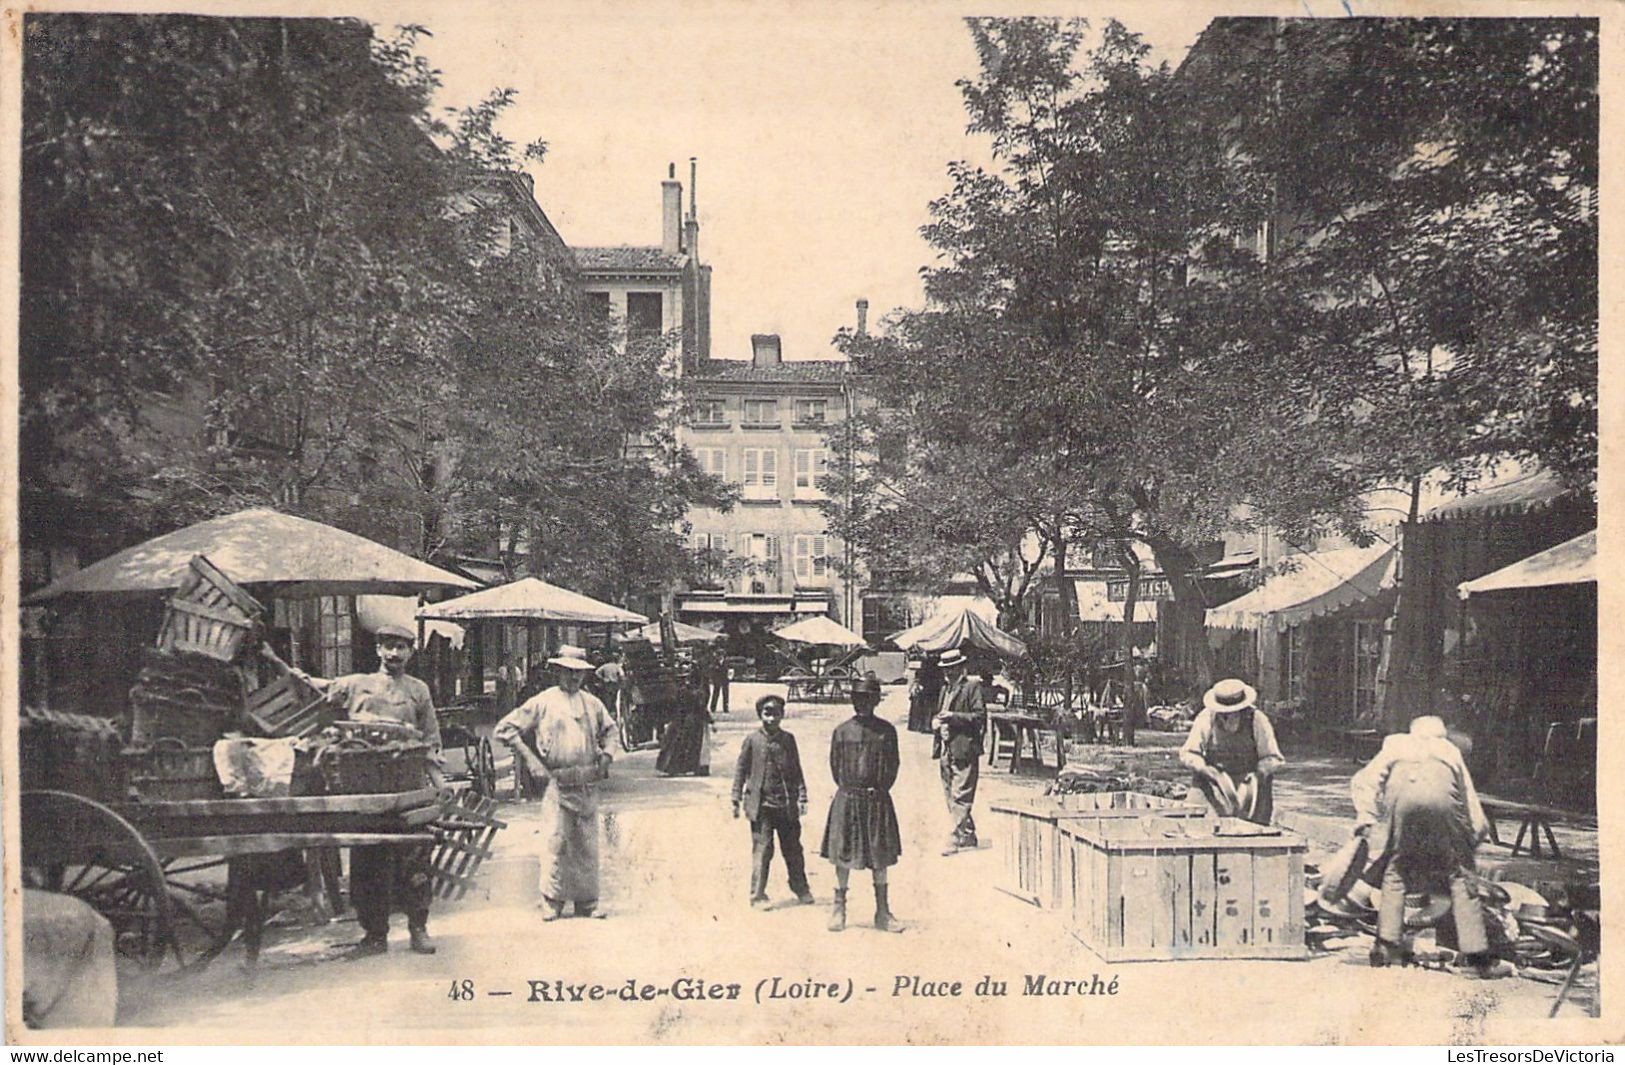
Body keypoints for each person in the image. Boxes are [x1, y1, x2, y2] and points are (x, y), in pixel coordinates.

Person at [295, 622, 443, 958]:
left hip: (407, 787)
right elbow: (319, 688)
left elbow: (431, 739)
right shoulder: (356, 684)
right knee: (367, 863)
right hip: (364, 787)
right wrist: (288, 670)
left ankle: (418, 929)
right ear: (378, 650)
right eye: (388, 646)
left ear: (411, 651)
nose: (394, 653)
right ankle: (374, 935)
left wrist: (438, 786)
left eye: (401, 647)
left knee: (415, 861)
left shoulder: (418, 690)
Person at [1350, 716, 1512, 978]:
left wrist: (1365, 817)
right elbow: (1468, 797)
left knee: (1396, 870)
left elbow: (1364, 781)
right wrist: (1474, 838)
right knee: (1461, 877)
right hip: (1443, 807)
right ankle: (1476, 958)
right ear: (1441, 735)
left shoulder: (1394, 745)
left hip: (1401, 805)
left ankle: (1386, 948)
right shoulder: (1448, 751)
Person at [494, 644, 616, 920]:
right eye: (568, 672)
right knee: (556, 841)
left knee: (586, 843)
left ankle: (587, 902)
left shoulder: (593, 703)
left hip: (586, 780)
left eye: (578, 674)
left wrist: (607, 757)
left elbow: (610, 730)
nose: (573, 678)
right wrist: (531, 759)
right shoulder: (543, 701)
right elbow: (506, 729)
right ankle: (552, 900)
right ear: (558, 671)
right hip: (557, 782)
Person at [821, 673, 903, 933]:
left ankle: (883, 912)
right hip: (848, 799)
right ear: (852, 700)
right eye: (859, 698)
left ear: (876, 700)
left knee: (880, 856)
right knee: (842, 855)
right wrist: (852, 788)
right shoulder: (842, 731)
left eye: (868, 698)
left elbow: (893, 767)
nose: (863, 703)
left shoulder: (886, 731)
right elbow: (835, 768)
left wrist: (876, 790)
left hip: (877, 800)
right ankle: (838, 909)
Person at [732, 694, 813, 908]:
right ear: (760, 714)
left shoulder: (788, 740)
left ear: (782, 715)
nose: (771, 718)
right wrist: (735, 798)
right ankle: (757, 895)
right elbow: (741, 770)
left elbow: (796, 770)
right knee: (762, 850)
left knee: (793, 849)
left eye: (776, 713)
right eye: (767, 713)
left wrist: (802, 796)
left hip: (786, 805)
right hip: (761, 806)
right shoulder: (752, 740)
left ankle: (801, 889)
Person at [1178, 678, 1283, 825]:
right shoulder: (1206, 718)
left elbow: (1272, 757)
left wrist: (1259, 774)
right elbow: (1189, 753)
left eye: (1233, 713)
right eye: (1223, 713)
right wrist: (1203, 768)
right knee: (1196, 821)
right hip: (1213, 781)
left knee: (1255, 828)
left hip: (1249, 782)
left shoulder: (1257, 720)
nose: (1227, 717)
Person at [932, 648, 986, 855]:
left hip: (964, 746)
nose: (948, 673)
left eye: (951, 669)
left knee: (961, 793)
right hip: (946, 747)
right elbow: (940, 714)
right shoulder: (945, 689)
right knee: (949, 793)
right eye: (945, 669)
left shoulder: (972, 687)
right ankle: (968, 834)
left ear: (960, 668)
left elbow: (979, 716)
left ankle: (955, 837)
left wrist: (953, 716)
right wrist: (936, 722)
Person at [656, 678, 713, 777]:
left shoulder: (681, 689)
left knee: (679, 742)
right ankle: (690, 767)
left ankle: (674, 767)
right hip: (691, 718)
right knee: (689, 743)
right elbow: (701, 705)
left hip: (683, 718)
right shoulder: (695, 691)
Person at [907, 652, 942, 734]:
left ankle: (925, 725)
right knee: (927, 705)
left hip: (931, 685)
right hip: (928, 685)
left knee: (928, 705)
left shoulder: (928, 661)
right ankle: (926, 726)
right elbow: (920, 674)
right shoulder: (928, 661)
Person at [706, 644, 731, 715]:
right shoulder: (714, 662)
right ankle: (713, 707)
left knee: (725, 694)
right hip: (717, 680)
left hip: (725, 679)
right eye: (719, 655)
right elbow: (712, 671)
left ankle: (725, 708)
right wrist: (712, 678)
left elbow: (730, 670)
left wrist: (729, 678)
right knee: (716, 693)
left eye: (721, 655)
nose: (720, 657)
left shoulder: (727, 662)